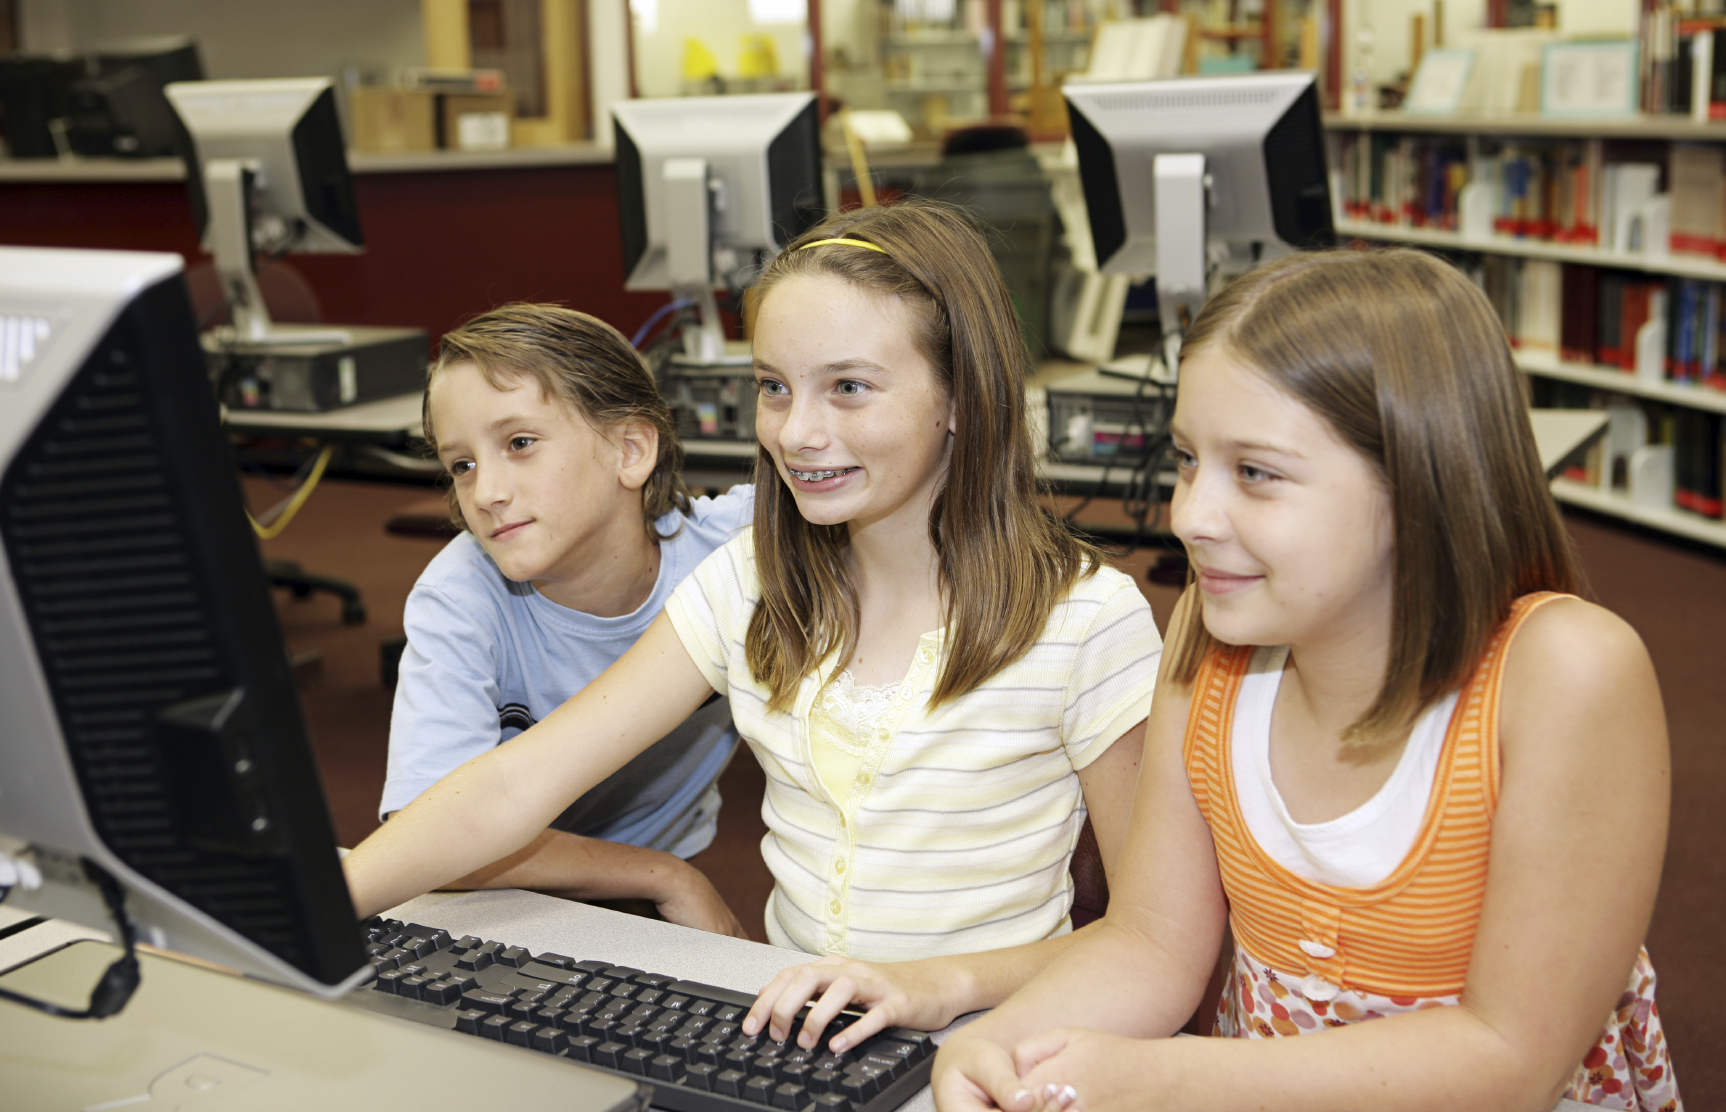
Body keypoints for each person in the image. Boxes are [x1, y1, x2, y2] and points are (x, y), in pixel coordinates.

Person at [343, 201, 1163, 1040]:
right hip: (793, 1036)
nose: (798, 433)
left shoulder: (1086, 621)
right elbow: (512, 786)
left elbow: (1152, 940)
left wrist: (936, 986)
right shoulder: (750, 583)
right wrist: (320, 905)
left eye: (848, 387)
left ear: (961, 394)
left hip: (999, 1037)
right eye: (774, 387)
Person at [934, 248, 1680, 1112]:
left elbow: (1510, 1057)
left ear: (1419, 478)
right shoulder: (1205, 641)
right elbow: (1152, 940)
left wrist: (1164, 1079)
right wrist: (1001, 1040)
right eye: (1185, 460)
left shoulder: (1566, 674)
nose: (1190, 516)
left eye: (1255, 473)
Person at [380, 303, 754, 936]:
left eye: (520, 444)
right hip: (495, 887)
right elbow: (427, 836)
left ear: (631, 449)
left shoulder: (735, 552)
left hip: (648, 884)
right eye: (461, 465)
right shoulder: (461, 593)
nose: (486, 492)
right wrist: (661, 875)